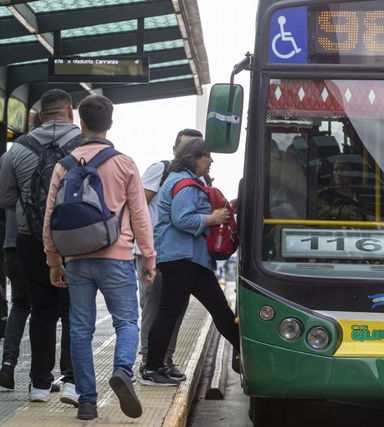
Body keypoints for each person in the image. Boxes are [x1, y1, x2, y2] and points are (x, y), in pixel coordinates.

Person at [43, 94, 155, 421]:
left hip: (76, 259)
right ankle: (122, 370)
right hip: (117, 258)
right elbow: (139, 215)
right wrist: (148, 258)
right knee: (126, 321)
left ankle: (87, 401)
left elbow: (51, 216)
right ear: (110, 123)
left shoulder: (63, 166)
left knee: (80, 328)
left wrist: (53, 260)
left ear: (82, 122)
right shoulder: (124, 163)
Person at [0, 88, 81, 405]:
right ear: (70, 112)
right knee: (74, 312)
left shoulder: (18, 148)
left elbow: (3, 197)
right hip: (78, 242)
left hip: (31, 241)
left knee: (42, 311)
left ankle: (39, 385)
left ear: (39, 115)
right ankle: (72, 382)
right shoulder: (87, 145)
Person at [141, 138, 240, 386]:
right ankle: (151, 369)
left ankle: (249, 351)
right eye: (208, 155)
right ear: (194, 157)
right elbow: (182, 219)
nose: (212, 160)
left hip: (192, 259)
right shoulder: (184, 184)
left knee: (220, 309)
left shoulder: (188, 183)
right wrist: (212, 218)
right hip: (179, 258)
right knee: (169, 312)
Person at [136, 128, 202, 381]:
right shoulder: (159, 170)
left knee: (175, 306)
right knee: (153, 305)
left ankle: (165, 359)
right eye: (184, 148)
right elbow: (137, 206)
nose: (188, 154)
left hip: (178, 254)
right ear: (174, 149)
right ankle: (148, 360)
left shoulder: (196, 178)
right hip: (152, 250)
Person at [0, 152, 31, 389]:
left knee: (20, 306)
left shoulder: (12, 155)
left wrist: (12, 222)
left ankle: (7, 365)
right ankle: (41, 377)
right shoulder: (62, 150)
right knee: (47, 311)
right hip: (47, 247)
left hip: (13, 246)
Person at [316, 156, 367, 220]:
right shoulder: (325, 194)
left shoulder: (365, 193)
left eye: (343, 170)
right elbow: (320, 212)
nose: (338, 173)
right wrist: (340, 211)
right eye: (336, 170)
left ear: (352, 172)